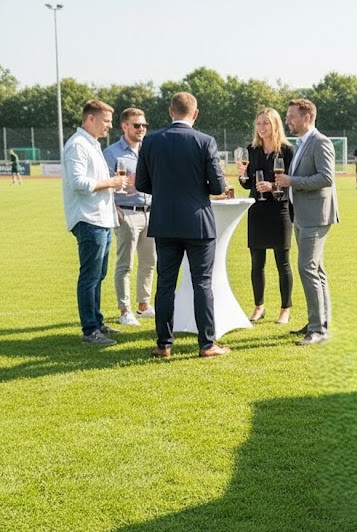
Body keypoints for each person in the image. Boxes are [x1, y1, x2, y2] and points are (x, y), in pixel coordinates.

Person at [135, 92, 230, 358]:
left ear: (170, 111)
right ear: (195, 114)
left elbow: (141, 184)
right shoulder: (204, 141)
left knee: (165, 284)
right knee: (202, 283)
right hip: (198, 222)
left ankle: (164, 345)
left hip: (164, 221)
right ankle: (207, 344)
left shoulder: (151, 140)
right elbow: (218, 186)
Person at [60, 100, 128, 345]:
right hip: (88, 219)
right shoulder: (78, 146)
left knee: (98, 274)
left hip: (100, 218)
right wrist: (112, 183)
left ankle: (97, 323)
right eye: (106, 121)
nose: (110, 126)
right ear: (90, 119)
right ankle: (90, 331)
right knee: (90, 276)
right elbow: (78, 183)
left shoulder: (91, 145)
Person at [275, 98, 339, 346]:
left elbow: (326, 178)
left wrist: (292, 182)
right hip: (302, 214)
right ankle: (319, 321)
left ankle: (318, 329)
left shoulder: (320, 142)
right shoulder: (302, 143)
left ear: (307, 117)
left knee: (307, 268)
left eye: (291, 116)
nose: (287, 120)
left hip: (316, 216)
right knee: (317, 270)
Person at [236, 107, 295, 326]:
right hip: (257, 210)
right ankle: (259, 306)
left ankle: (285, 308)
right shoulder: (251, 150)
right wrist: (242, 177)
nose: (261, 128)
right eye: (259, 123)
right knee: (256, 262)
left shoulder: (288, 151)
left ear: (275, 125)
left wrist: (272, 186)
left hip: (279, 210)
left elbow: (293, 183)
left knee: (283, 262)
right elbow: (248, 184)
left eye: (266, 123)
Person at [103, 108, 156, 327]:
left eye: (144, 125)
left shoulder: (149, 149)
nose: (141, 129)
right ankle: (124, 310)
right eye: (136, 125)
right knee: (125, 265)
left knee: (150, 263)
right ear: (124, 126)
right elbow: (105, 184)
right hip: (127, 212)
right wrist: (114, 207)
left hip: (151, 212)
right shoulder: (112, 153)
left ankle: (143, 305)